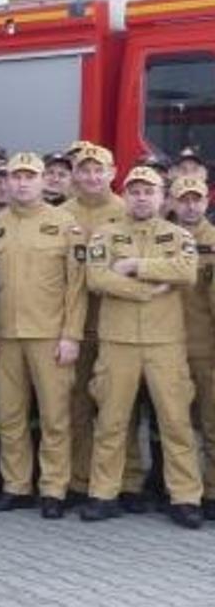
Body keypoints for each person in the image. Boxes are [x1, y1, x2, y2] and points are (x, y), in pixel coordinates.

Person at [79, 165, 203, 528]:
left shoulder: (178, 234)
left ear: (162, 196)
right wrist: (147, 290)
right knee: (111, 423)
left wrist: (135, 265)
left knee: (176, 423)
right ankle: (104, 493)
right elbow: (97, 277)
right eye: (134, 191)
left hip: (165, 344)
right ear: (126, 194)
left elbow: (186, 272)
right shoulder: (106, 233)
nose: (142, 197)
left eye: (149, 191)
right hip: (117, 343)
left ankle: (185, 498)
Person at [0, 152, 85, 519]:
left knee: (55, 417)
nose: (22, 183)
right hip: (6, 336)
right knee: (9, 416)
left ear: (44, 181)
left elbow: (77, 288)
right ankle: (16, 486)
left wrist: (71, 336)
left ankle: (54, 488)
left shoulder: (65, 224)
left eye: (30, 176)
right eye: (15, 177)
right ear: (5, 182)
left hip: (50, 336)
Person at [60, 140, 126, 505]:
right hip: (75, 327)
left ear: (112, 173)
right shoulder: (61, 214)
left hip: (117, 326)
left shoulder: (126, 212)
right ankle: (78, 481)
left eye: (98, 169)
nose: (90, 176)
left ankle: (125, 481)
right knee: (77, 406)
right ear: (74, 174)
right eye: (84, 169)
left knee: (117, 410)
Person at [167, 177, 215, 520]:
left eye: (196, 199)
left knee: (212, 424)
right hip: (168, 348)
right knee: (175, 426)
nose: (191, 206)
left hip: (207, 349)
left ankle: (212, 492)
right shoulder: (161, 238)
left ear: (207, 200)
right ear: (171, 201)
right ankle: (182, 495)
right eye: (184, 199)